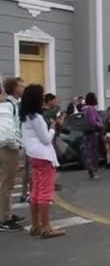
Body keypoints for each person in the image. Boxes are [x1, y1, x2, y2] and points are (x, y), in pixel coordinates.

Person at [20, 84, 66, 239]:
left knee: (36, 191)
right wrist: (52, 127)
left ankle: (35, 225)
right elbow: (46, 139)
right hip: (44, 156)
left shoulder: (25, 116)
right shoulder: (37, 117)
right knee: (45, 192)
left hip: (33, 155)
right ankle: (46, 227)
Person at [0, 77, 25, 232]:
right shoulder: (8, 105)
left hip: (7, 147)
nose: (23, 88)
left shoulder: (11, 104)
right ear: (14, 88)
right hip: (8, 149)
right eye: (21, 86)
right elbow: (8, 129)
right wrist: (15, 144)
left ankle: (6, 213)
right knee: (7, 184)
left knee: (6, 183)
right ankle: (4, 219)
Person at [82, 93, 102, 180]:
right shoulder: (91, 109)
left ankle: (91, 171)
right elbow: (93, 121)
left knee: (88, 152)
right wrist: (100, 124)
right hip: (92, 133)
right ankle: (93, 172)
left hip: (85, 133)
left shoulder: (84, 109)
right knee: (93, 153)